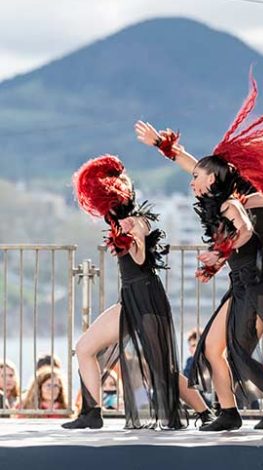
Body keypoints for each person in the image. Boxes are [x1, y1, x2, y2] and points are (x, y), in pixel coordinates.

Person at [136, 75, 263, 432]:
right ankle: (230, 411)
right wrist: (162, 145)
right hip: (242, 276)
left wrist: (220, 253)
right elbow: (199, 167)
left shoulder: (254, 199)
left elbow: (243, 224)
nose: (194, 180)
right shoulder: (226, 192)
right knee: (214, 348)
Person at [64, 155, 213, 430]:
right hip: (129, 297)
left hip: (147, 297)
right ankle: (91, 413)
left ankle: (206, 414)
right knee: (84, 347)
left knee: (163, 368)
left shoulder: (137, 221)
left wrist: (132, 241)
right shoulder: (116, 221)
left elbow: (142, 259)